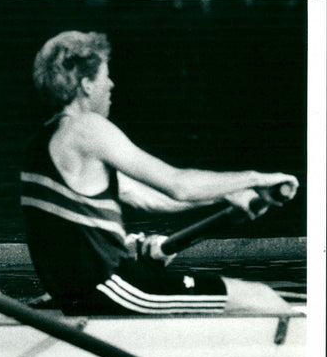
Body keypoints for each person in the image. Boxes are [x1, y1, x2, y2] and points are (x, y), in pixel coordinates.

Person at [21, 31, 299, 315]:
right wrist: (257, 178)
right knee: (263, 299)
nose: (111, 84)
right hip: (113, 288)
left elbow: (151, 198)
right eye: (106, 75)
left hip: (72, 294)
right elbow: (179, 185)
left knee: (236, 300)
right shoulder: (88, 128)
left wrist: (226, 195)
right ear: (87, 85)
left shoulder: (42, 143)